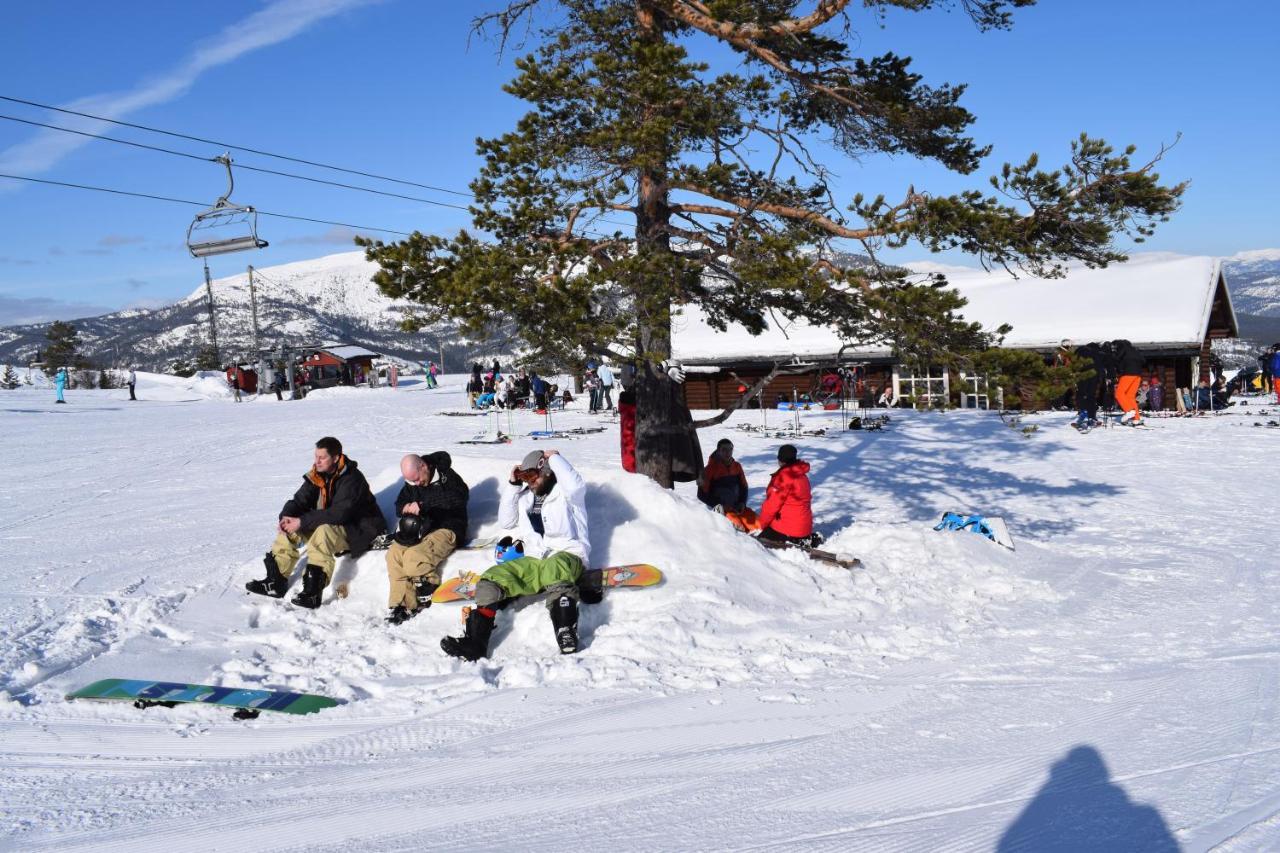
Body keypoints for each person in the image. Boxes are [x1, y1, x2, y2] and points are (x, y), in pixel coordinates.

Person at [441, 449, 589, 660]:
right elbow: (507, 521)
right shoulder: (525, 497)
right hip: (535, 559)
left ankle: (566, 632)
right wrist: (513, 485)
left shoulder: (567, 494)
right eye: (525, 478)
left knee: (554, 568)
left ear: (546, 471)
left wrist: (554, 457)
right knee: (492, 577)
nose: (530, 483)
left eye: (532, 476)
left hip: (567, 555)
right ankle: (475, 644)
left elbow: (576, 485)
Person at [245, 437, 387, 609]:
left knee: (323, 533)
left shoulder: (352, 478)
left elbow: (339, 514)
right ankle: (275, 583)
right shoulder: (318, 475)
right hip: (332, 522)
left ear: (335, 458)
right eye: (315, 456)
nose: (317, 461)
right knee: (289, 531)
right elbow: (299, 501)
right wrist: (287, 517)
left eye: (322, 457)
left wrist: (302, 521)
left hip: (359, 527)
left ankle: (313, 592)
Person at [386, 452, 469, 625]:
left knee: (414, 556)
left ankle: (427, 586)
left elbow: (460, 497)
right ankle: (403, 603)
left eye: (417, 479)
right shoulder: (412, 482)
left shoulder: (446, 475)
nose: (416, 484)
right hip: (422, 530)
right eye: (411, 481)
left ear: (423, 466)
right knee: (394, 554)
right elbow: (398, 504)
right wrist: (405, 507)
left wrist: (424, 505)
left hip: (448, 527)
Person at [753, 444, 813, 545]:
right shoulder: (801, 474)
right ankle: (803, 539)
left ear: (780, 459)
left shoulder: (784, 477)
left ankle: (793, 540)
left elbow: (771, 505)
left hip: (788, 530)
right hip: (805, 528)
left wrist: (762, 524)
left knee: (758, 544)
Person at [698, 438, 749, 514]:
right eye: (724, 449)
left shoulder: (737, 466)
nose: (728, 452)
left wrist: (742, 503)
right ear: (718, 451)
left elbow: (744, 487)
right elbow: (701, 494)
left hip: (737, 509)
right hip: (718, 512)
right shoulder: (709, 469)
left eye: (730, 449)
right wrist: (719, 506)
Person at [1072, 342, 1106, 430]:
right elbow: (1101, 367)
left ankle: (1083, 413)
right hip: (1094, 376)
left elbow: (1075, 362)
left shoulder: (1080, 350)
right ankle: (1092, 418)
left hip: (1083, 374)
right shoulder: (1098, 354)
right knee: (1091, 396)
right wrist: (1100, 379)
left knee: (1081, 394)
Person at [1111, 339, 1144, 425]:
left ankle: (1129, 411)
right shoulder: (1135, 350)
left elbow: (1117, 359)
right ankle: (1136, 418)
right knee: (1130, 396)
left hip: (1128, 374)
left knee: (1119, 394)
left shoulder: (1123, 349)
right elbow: (1143, 360)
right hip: (1138, 375)